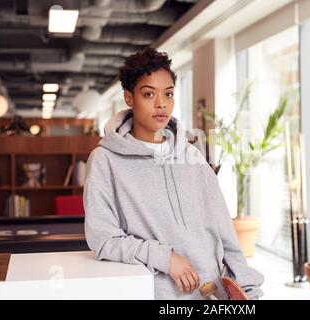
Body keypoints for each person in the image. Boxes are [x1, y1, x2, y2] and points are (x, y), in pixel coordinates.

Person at [83, 47, 264, 300]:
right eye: (148, 94)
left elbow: (225, 232)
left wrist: (248, 291)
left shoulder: (192, 155)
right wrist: (164, 257)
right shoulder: (105, 161)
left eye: (168, 94)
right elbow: (103, 239)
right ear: (129, 98)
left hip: (212, 294)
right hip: (158, 295)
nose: (161, 104)